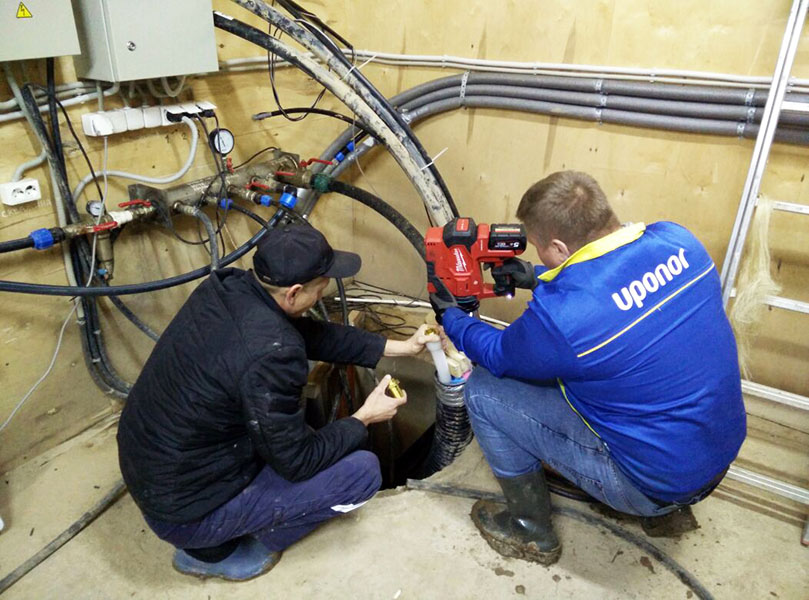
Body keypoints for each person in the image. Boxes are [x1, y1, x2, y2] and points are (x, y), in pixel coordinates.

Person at [430, 170, 746, 565]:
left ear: (559, 247)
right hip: (719, 455)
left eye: (541, 250)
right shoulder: (678, 240)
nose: (540, 257)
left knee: (484, 389)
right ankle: (666, 503)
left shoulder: (564, 320)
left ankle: (530, 530)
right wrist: (538, 277)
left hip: (651, 486)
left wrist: (453, 318)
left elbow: (497, 353)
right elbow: (612, 286)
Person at [118, 224, 437, 581]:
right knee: (361, 472)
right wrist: (364, 418)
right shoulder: (271, 355)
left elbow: (307, 335)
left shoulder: (227, 289)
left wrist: (400, 347)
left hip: (154, 468)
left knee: (309, 435)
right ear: (294, 293)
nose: (322, 295)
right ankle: (220, 549)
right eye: (320, 289)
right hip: (187, 513)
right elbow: (298, 462)